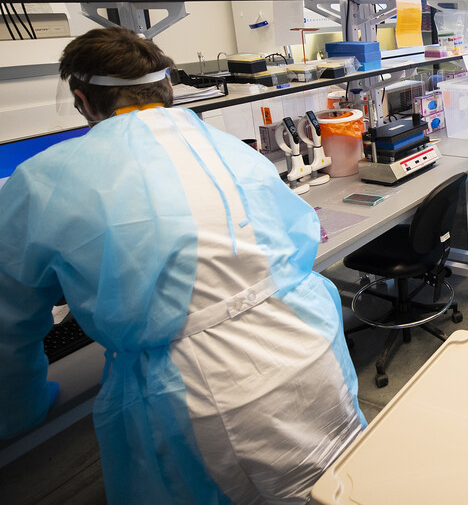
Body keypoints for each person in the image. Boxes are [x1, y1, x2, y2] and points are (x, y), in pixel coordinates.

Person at [0, 27, 366, 504]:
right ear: (167, 88)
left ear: (83, 100)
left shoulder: (44, 178)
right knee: (334, 488)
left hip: (204, 393)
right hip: (310, 353)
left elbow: (9, 321)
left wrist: (20, 410)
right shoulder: (232, 148)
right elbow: (295, 241)